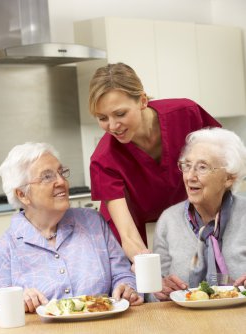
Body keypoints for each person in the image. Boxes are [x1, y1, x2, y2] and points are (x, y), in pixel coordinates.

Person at [89, 62, 221, 262]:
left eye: (120, 114)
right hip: (132, 226)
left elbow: (223, 160)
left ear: (142, 101)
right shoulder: (103, 160)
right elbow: (128, 236)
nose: (113, 126)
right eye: (102, 118)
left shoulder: (186, 114)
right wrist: (150, 268)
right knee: (144, 285)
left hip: (187, 214)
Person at [0, 142, 143, 312]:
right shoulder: (5, 249)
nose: (61, 181)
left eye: (61, 172)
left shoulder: (93, 222)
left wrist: (127, 287)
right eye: (47, 177)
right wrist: (16, 302)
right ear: (22, 195)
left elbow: (123, 274)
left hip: (103, 331)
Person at [152, 128, 246, 301]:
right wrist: (160, 290)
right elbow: (154, 292)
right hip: (186, 321)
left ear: (229, 178)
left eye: (202, 167)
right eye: (187, 166)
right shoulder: (169, 220)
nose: (190, 176)